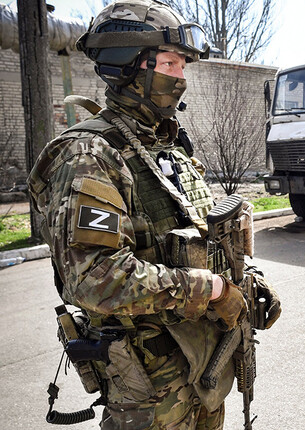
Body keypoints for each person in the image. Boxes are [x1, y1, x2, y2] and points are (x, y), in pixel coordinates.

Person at [28, 1, 279, 428]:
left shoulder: (167, 147)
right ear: (129, 67)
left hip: (204, 365)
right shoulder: (90, 154)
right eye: (170, 63)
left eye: (183, 66)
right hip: (149, 387)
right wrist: (214, 291)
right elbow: (94, 278)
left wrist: (246, 283)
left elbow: (205, 237)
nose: (181, 78)